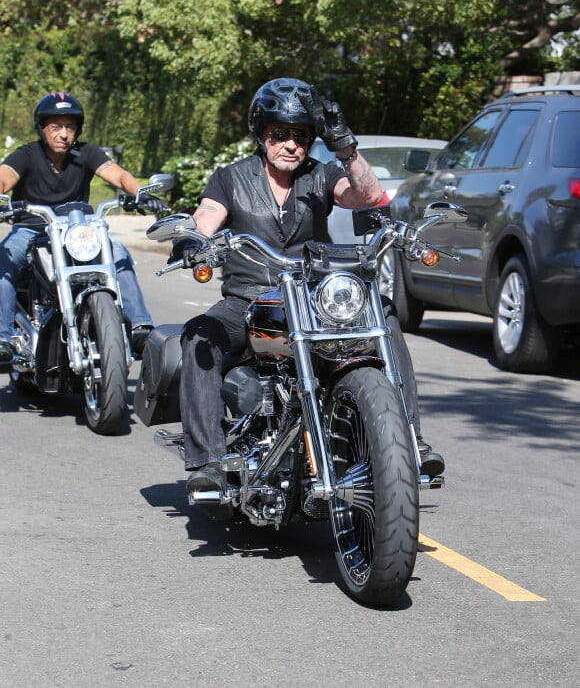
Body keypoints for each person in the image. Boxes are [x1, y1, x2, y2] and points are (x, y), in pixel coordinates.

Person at [175, 77, 445, 501]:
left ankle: (409, 440)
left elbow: (368, 197)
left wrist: (346, 148)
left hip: (313, 299)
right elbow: (206, 218)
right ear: (262, 134)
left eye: (300, 136)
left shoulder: (322, 176)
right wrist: (192, 240)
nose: (290, 145)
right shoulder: (230, 179)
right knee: (197, 337)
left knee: (385, 315)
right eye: (279, 134)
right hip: (248, 301)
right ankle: (207, 463)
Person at [0, 91, 161, 364]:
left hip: (76, 230)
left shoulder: (86, 153)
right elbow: (5, 177)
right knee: (4, 258)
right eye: (56, 127)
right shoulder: (26, 155)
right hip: (31, 228)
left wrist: (140, 193)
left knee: (118, 252)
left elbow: (119, 175)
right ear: (42, 128)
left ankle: (140, 327)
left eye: (70, 127)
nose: (63, 134)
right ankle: (3, 337)